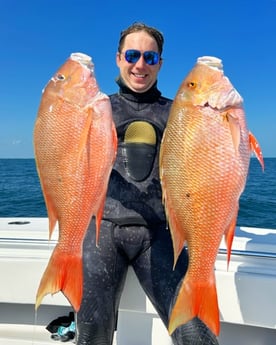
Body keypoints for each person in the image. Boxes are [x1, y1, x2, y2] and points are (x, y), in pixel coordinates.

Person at [76, 22, 219, 345]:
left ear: (160, 64)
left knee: (197, 335)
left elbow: (207, 167)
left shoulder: (182, 112)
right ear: (118, 58)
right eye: (132, 55)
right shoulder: (96, 110)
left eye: (150, 58)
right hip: (102, 232)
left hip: (160, 234)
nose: (140, 65)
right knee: (91, 334)